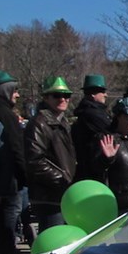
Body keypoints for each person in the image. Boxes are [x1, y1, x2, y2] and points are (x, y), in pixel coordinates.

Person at [23, 76, 77, 230]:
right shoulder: (39, 123)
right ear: (45, 98)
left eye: (66, 95)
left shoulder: (63, 122)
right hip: (49, 198)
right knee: (52, 245)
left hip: (63, 196)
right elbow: (34, 161)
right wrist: (63, 179)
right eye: (56, 95)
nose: (63, 99)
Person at [0, 71, 27, 254]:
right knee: (9, 220)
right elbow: (17, 148)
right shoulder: (5, 116)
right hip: (7, 183)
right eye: (14, 90)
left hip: (7, 181)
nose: (17, 95)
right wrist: (25, 175)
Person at [71, 74, 112, 182]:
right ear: (93, 93)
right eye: (102, 92)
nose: (106, 95)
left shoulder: (90, 111)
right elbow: (111, 130)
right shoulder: (92, 113)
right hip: (93, 168)